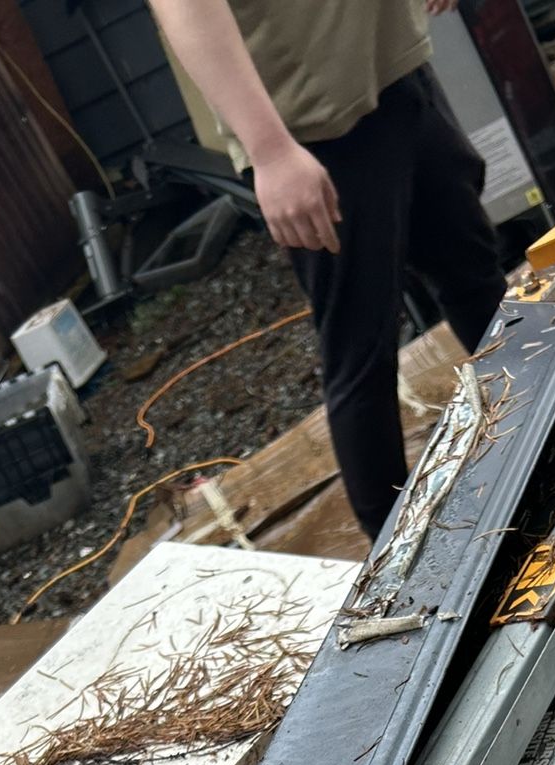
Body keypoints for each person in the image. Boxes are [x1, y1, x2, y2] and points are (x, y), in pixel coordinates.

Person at [150, 0, 507, 540]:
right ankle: (403, 557)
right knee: (363, 350)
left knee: (475, 273)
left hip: (395, 68)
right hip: (317, 128)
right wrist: (269, 151)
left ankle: (553, 421)